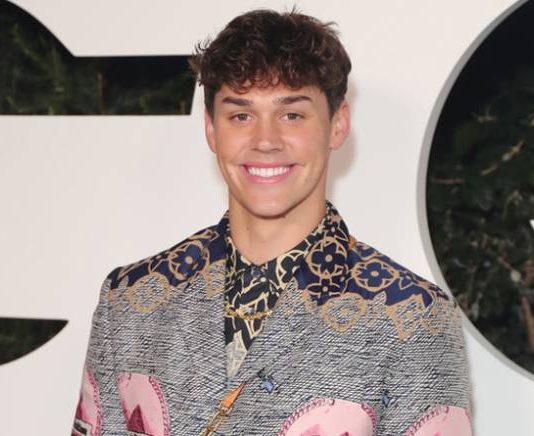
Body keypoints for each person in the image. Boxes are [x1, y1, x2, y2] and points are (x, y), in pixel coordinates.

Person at [72, 9, 471, 436]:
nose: (265, 141)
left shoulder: (414, 319)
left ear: (338, 125)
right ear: (211, 129)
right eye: (241, 116)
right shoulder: (130, 301)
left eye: (291, 115)